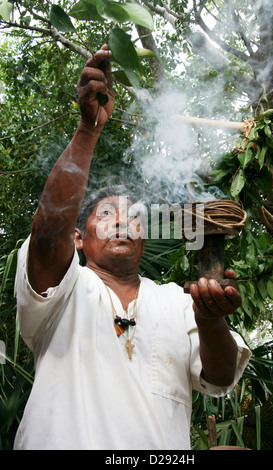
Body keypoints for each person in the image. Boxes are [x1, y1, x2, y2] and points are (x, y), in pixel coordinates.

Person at [14, 45, 251, 450]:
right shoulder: (65, 289)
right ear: (78, 237)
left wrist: (211, 320)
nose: (124, 221)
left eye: (134, 216)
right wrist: (88, 130)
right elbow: (48, 232)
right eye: (107, 213)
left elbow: (221, 377)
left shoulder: (176, 300)